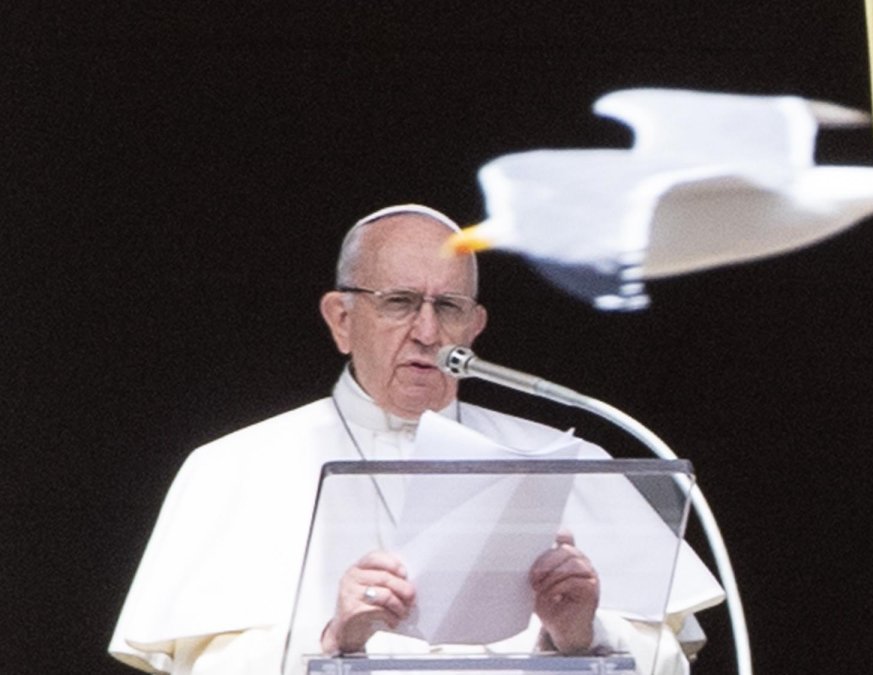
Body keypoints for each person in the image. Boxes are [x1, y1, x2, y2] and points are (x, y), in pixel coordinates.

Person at [109, 204, 723, 675]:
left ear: (475, 326)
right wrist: (332, 641)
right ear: (341, 320)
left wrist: (577, 636)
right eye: (400, 303)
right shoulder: (235, 467)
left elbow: (668, 661)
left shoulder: (571, 463)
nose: (427, 331)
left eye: (449, 307)